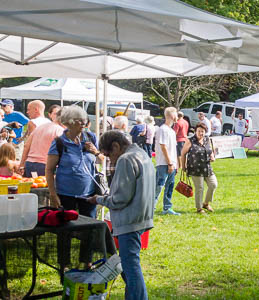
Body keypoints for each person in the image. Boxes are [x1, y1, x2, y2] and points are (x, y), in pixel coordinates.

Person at [88, 130, 154, 300]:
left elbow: (120, 198)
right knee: (129, 265)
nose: (110, 159)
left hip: (129, 221)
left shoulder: (125, 159)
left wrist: (99, 199)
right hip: (141, 217)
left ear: (116, 146)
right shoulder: (142, 154)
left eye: (109, 155)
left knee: (131, 268)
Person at [45, 105, 104, 216]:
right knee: (66, 229)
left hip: (89, 194)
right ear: (69, 123)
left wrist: (95, 152)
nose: (84, 124)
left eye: (84, 120)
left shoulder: (91, 137)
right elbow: (49, 170)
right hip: (66, 194)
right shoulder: (59, 142)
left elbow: (102, 160)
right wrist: (53, 194)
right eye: (80, 121)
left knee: (89, 228)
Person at [180, 123, 217, 214]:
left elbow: (209, 149)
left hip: (207, 167)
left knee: (213, 184)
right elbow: (183, 154)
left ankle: (206, 203)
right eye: (199, 131)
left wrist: (212, 156)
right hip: (195, 168)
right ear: (195, 131)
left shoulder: (206, 139)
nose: (201, 133)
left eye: (203, 131)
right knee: (199, 188)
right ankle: (199, 208)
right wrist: (183, 166)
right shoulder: (190, 141)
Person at [21, 107, 65, 178]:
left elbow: (26, 145)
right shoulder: (60, 131)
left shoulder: (39, 127)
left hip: (30, 164)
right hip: (45, 166)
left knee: (33, 187)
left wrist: (22, 164)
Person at [155, 107, 180, 216]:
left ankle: (167, 207)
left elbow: (173, 149)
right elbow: (163, 146)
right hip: (163, 164)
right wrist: (169, 163)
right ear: (171, 116)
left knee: (170, 186)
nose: (177, 117)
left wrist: (176, 164)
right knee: (159, 186)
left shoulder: (172, 131)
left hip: (172, 164)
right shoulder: (163, 129)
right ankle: (151, 208)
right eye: (176, 115)